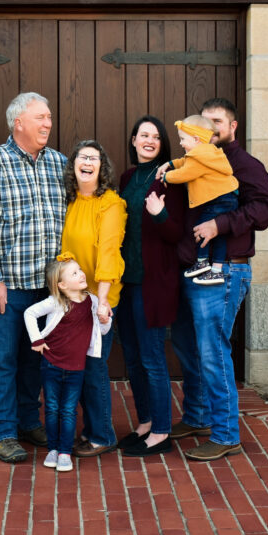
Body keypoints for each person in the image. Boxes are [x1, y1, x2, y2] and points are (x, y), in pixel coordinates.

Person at [174, 98, 268, 461]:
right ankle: (198, 417)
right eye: (205, 122)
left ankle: (225, 434)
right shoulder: (196, 159)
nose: (211, 127)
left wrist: (221, 224)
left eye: (217, 122)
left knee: (212, 351)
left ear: (233, 127)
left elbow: (266, 209)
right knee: (190, 348)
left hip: (226, 270)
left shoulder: (245, 165)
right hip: (194, 271)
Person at [0, 92, 67, 463]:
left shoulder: (60, 164)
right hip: (7, 286)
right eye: (40, 117)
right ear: (18, 122)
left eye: (50, 116)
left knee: (35, 360)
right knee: (2, 360)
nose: (48, 123)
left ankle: (28, 421)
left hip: (48, 288)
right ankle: (4, 432)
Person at [116, 116, 185, 457]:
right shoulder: (128, 177)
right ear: (133, 139)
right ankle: (144, 422)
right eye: (144, 135)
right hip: (125, 282)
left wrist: (159, 213)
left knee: (152, 357)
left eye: (156, 137)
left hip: (152, 282)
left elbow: (177, 233)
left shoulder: (169, 178)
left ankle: (161, 430)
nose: (150, 140)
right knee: (131, 356)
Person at [60, 140, 126, 458]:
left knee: (94, 366)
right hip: (72, 299)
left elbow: (109, 254)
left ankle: (102, 435)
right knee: (79, 365)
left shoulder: (110, 204)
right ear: (74, 164)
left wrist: (101, 301)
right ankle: (90, 431)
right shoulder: (69, 202)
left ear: (102, 167)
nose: (87, 162)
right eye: (82, 157)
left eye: (94, 158)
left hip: (100, 298)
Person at [24, 255, 111, 473]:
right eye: (74, 273)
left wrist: (105, 319)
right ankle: (53, 449)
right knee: (52, 408)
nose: (81, 274)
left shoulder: (92, 301)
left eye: (80, 269)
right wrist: (37, 340)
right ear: (61, 285)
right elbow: (30, 313)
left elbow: (101, 332)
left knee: (69, 410)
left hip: (76, 368)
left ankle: (64, 452)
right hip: (51, 365)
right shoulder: (56, 302)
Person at [157, 115, 239, 286]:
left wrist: (166, 175)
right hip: (228, 197)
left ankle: (202, 262)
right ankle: (216, 270)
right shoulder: (207, 153)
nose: (180, 143)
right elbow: (184, 162)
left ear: (196, 139)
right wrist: (171, 163)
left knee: (201, 228)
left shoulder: (198, 157)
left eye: (182, 139)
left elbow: (184, 174)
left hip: (220, 200)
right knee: (218, 236)